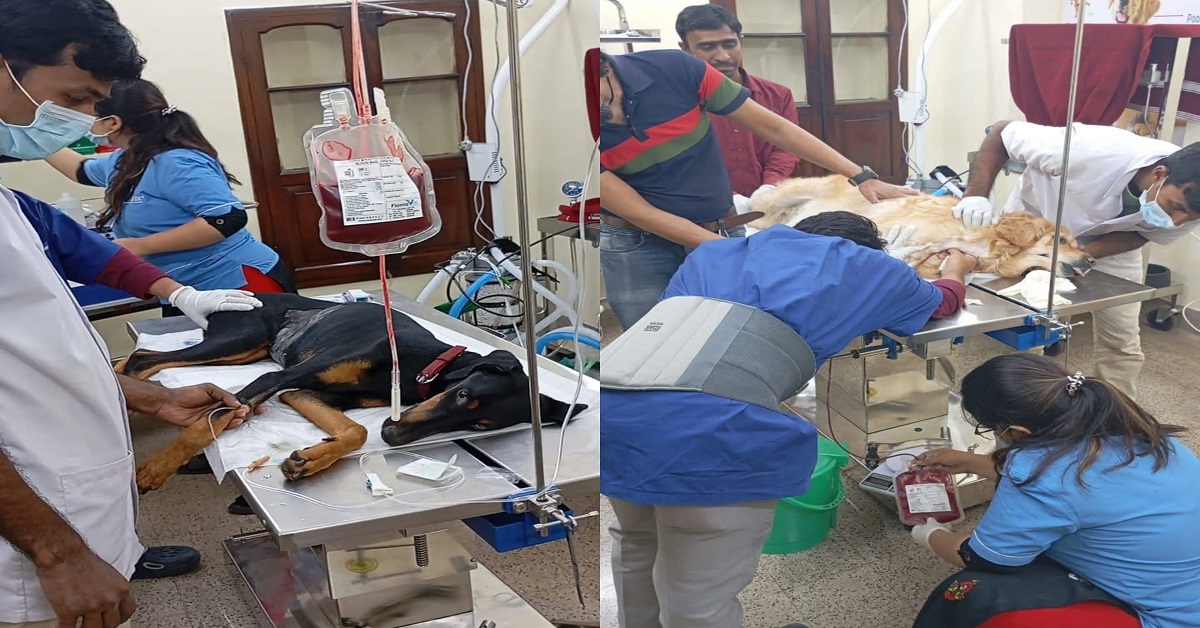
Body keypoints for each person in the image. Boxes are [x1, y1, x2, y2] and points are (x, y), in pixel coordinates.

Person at [0, 2, 264, 626]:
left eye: (94, 106)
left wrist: (145, 395)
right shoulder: (124, 162)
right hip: (32, 535)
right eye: (74, 98)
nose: (83, 119)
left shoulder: (9, 201)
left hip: (68, 496)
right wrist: (58, 552)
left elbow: (37, 356)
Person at [601, 214, 977, 628]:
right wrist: (957, 267)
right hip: (712, 428)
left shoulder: (717, 253)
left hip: (615, 403)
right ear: (869, 248)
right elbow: (944, 301)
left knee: (636, 543)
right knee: (697, 593)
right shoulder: (872, 266)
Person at [599, 49, 917, 330]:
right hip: (636, 242)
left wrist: (860, 176)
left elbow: (775, 127)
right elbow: (641, 213)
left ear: (602, 68)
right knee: (651, 339)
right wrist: (744, 251)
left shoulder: (676, 69)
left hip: (720, 225)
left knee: (737, 328)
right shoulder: (578, 124)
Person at [908, 353, 1200, 628]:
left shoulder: (1042, 477)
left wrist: (929, 533)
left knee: (971, 592)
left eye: (988, 428)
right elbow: (1086, 490)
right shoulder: (1143, 434)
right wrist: (970, 462)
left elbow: (983, 558)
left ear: (1018, 431)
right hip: (1183, 587)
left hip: (1167, 618)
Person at [953, 121, 1200, 398]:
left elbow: (1143, 234)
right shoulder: (1085, 149)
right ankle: (1022, 401)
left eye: (1189, 218)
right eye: (1175, 207)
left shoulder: (1190, 206)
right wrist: (975, 196)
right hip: (1036, 233)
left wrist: (1084, 254)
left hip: (1113, 244)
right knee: (1028, 325)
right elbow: (1001, 132)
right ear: (1159, 174)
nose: (1176, 221)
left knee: (1121, 339)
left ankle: (1114, 410)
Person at [44, 78, 295, 321]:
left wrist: (140, 246)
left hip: (236, 284)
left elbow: (226, 218)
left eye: (89, 115)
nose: (85, 124)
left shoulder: (177, 162)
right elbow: (80, 169)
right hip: (184, 291)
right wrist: (36, 140)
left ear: (113, 122)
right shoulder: (127, 159)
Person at [676, 5, 800, 210]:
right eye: (707, 47)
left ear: (741, 42)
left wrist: (770, 186)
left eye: (729, 44)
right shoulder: (676, 103)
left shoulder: (778, 95)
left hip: (771, 203)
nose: (723, 56)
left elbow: (786, 148)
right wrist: (729, 195)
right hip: (706, 208)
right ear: (686, 49)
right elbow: (683, 161)